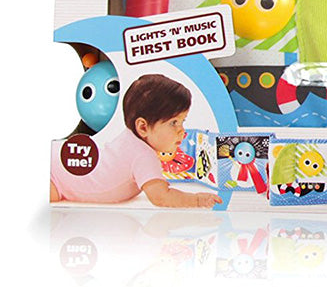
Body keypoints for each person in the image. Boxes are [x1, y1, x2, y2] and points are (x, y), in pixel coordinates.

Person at [50, 74, 221, 209]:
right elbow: (161, 197)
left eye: (183, 121)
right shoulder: (143, 155)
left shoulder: (130, 140)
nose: (181, 130)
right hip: (58, 175)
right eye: (173, 123)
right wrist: (197, 200)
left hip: (64, 160)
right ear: (143, 127)